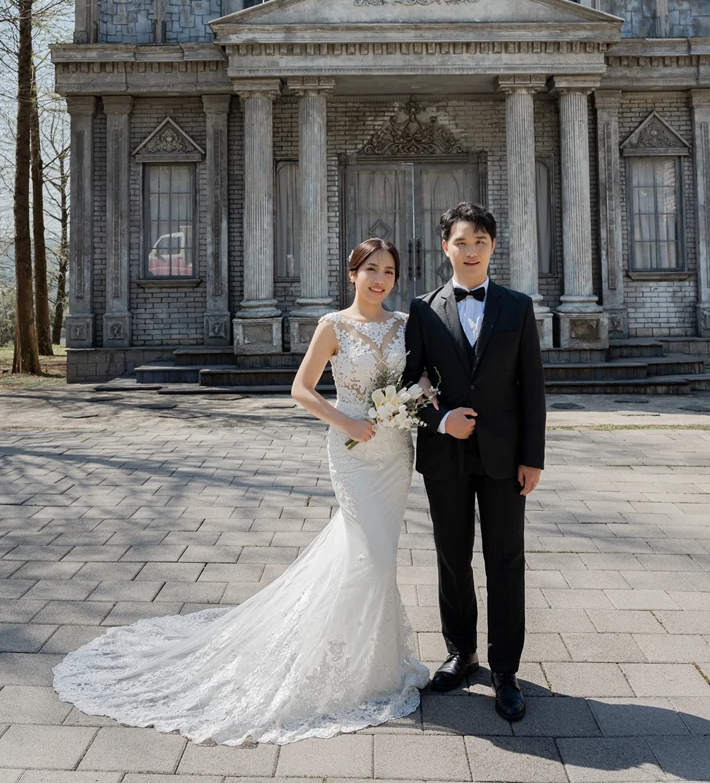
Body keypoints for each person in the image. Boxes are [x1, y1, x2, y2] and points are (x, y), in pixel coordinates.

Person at [53, 238, 428, 744]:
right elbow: (301, 389)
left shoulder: (404, 325)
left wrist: (413, 401)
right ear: (352, 274)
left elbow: (420, 379)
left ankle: (373, 663)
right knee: (373, 555)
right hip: (353, 451)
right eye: (371, 270)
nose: (380, 279)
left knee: (371, 557)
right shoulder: (333, 326)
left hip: (395, 453)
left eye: (388, 271)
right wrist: (348, 423)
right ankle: (340, 666)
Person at [403, 201, 546, 722]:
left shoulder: (517, 307)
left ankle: (506, 670)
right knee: (452, 556)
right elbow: (408, 382)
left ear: (492, 247)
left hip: (506, 457)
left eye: (480, 242)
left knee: (506, 560)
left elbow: (532, 387)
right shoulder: (422, 310)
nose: (470, 251)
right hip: (445, 454)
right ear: (446, 247)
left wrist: (533, 457)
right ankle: (460, 653)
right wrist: (442, 421)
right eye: (461, 242)